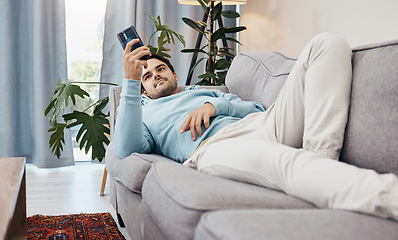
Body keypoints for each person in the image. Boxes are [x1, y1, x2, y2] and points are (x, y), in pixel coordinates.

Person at [114, 33, 398, 221]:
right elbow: (127, 148)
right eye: (146, 76)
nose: (155, 76)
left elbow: (256, 109)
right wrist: (130, 80)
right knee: (288, 162)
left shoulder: (205, 92)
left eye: (160, 69)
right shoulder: (145, 113)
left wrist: (215, 105)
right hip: (216, 148)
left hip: (264, 123)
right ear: (143, 91)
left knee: (326, 43)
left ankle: (321, 159)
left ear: (174, 73)